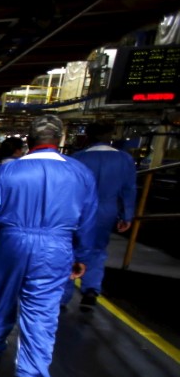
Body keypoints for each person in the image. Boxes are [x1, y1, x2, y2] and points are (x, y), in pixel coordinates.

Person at [0, 114, 98, 377]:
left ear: (28, 140)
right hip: (56, 247)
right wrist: (82, 255)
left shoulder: (8, 172)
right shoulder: (80, 174)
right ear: (60, 140)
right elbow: (88, 220)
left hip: (9, 243)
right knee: (43, 310)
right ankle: (28, 376)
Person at [60, 122, 137, 311]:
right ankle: (91, 291)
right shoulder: (124, 159)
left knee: (71, 249)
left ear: (88, 136)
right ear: (110, 135)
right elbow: (129, 189)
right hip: (107, 211)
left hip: (78, 209)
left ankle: (63, 296)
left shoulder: (78, 158)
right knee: (98, 250)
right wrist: (127, 215)